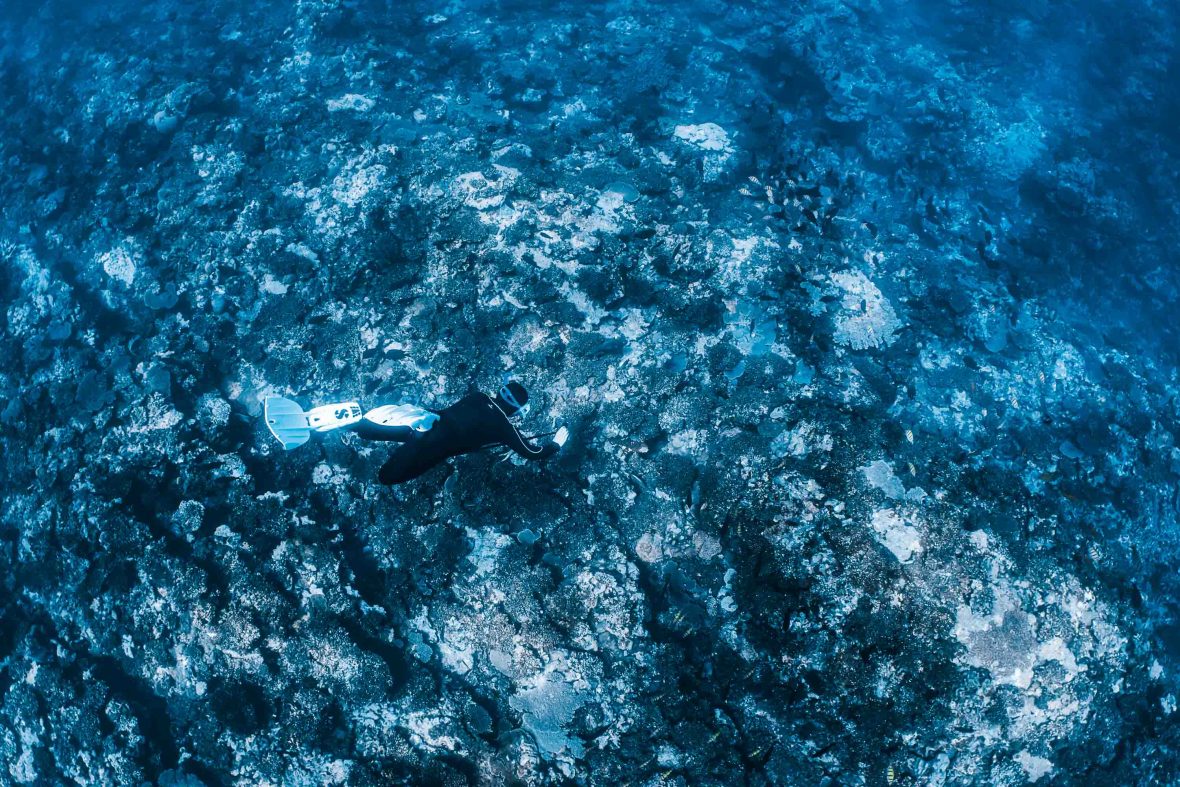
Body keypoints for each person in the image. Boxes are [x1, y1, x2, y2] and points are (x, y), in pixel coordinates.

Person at [263, 379, 568, 485]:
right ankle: (350, 422)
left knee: (368, 429)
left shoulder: (478, 396)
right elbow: (532, 453)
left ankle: (344, 420)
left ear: (498, 391)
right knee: (386, 477)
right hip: (431, 444)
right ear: (516, 410)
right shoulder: (504, 427)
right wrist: (555, 444)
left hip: (423, 420)